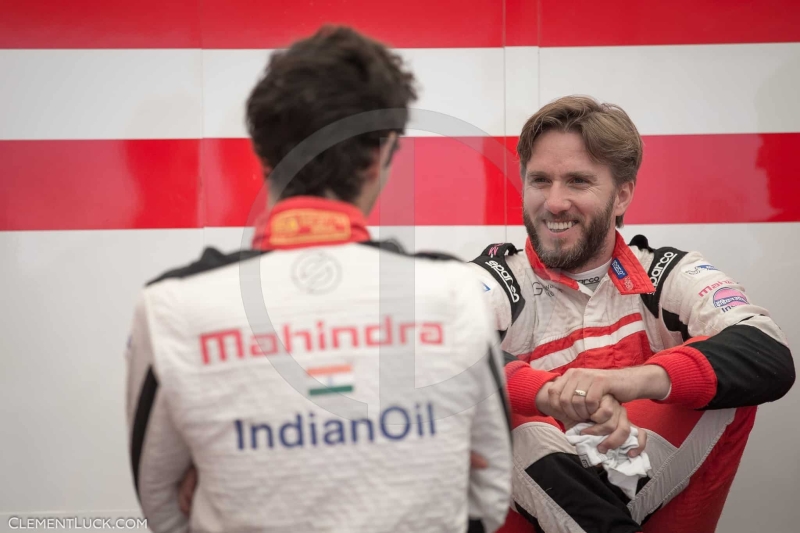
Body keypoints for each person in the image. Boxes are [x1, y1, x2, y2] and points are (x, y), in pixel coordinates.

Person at [125, 26, 512, 533]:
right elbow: (489, 496)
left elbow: (162, 507)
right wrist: (425, 467)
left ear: (264, 157)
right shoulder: (453, 291)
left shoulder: (172, 306)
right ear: (381, 154)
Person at [468, 95, 795, 533]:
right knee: (504, 418)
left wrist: (625, 383)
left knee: (722, 380)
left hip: (646, 489)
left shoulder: (665, 273)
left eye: (578, 182)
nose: (555, 202)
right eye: (540, 180)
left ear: (622, 195)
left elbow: (769, 353)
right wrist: (551, 394)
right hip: (526, 503)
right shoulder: (498, 280)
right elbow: (425, 346)